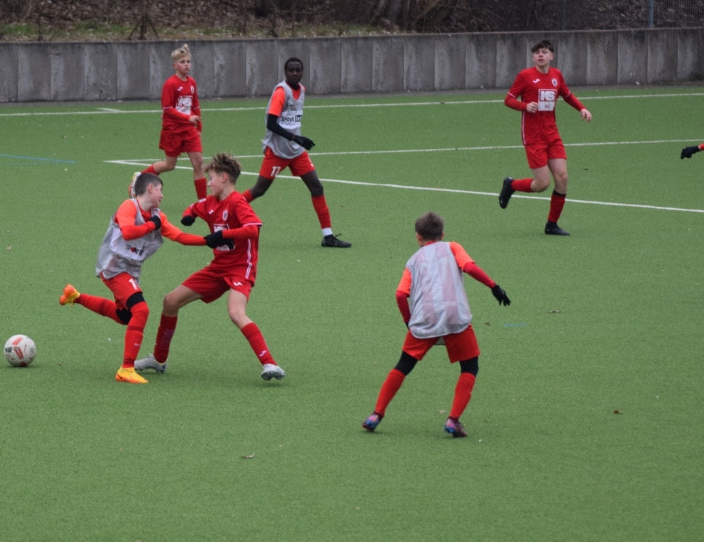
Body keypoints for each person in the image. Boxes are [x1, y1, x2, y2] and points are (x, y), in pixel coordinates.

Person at [135, 153, 286, 381]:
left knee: (236, 313)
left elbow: (253, 229)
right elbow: (194, 207)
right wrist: (188, 216)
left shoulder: (237, 202)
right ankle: (158, 359)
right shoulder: (210, 203)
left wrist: (223, 235)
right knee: (170, 302)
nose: (208, 183)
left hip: (240, 268)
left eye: (211, 178)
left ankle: (270, 364)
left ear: (224, 178)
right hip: (217, 268)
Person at [362, 211, 511, 438]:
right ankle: (453, 420)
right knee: (469, 367)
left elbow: (400, 295)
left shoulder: (413, 261)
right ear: (442, 234)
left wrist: (408, 321)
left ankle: (376, 414)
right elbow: (470, 268)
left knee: (403, 365)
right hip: (455, 316)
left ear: (418, 236)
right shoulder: (452, 247)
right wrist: (494, 287)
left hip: (425, 318)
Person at [59, 172, 209, 384]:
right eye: (160, 190)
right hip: (114, 268)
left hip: (130, 271)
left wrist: (210, 240)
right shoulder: (129, 206)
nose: (162, 195)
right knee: (141, 310)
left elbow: (180, 236)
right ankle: (126, 368)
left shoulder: (158, 216)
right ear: (150, 189)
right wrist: (152, 225)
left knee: (125, 316)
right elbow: (128, 232)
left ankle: (75, 297)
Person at [241, 56, 350, 248]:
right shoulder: (281, 92)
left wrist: (296, 141)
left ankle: (328, 236)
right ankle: (224, 209)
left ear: (302, 72)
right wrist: (295, 138)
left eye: (297, 70)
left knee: (316, 187)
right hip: (277, 151)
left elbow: (291, 120)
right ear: (285, 72)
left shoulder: (302, 90)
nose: (294, 73)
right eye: (290, 70)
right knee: (259, 190)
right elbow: (271, 123)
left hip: (296, 152)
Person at [497, 40, 592, 237]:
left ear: (551, 56)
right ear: (533, 57)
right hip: (533, 136)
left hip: (552, 134)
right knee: (542, 184)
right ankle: (511, 185)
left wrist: (582, 108)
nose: (541, 55)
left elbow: (567, 95)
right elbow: (508, 100)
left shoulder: (557, 75)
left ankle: (551, 225)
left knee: (562, 178)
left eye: (544, 52)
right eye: (537, 52)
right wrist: (525, 106)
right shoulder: (525, 76)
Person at [134, 44, 206, 200]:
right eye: (182, 62)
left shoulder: (192, 83)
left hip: (189, 129)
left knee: (198, 162)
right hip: (173, 130)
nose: (186, 65)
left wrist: (198, 128)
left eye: (188, 62)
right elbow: (167, 108)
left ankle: (203, 201)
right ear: (175, 65)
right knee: (169, 165)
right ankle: (139, 178)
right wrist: (187, 118)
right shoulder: (170, 84)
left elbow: (195, 105)